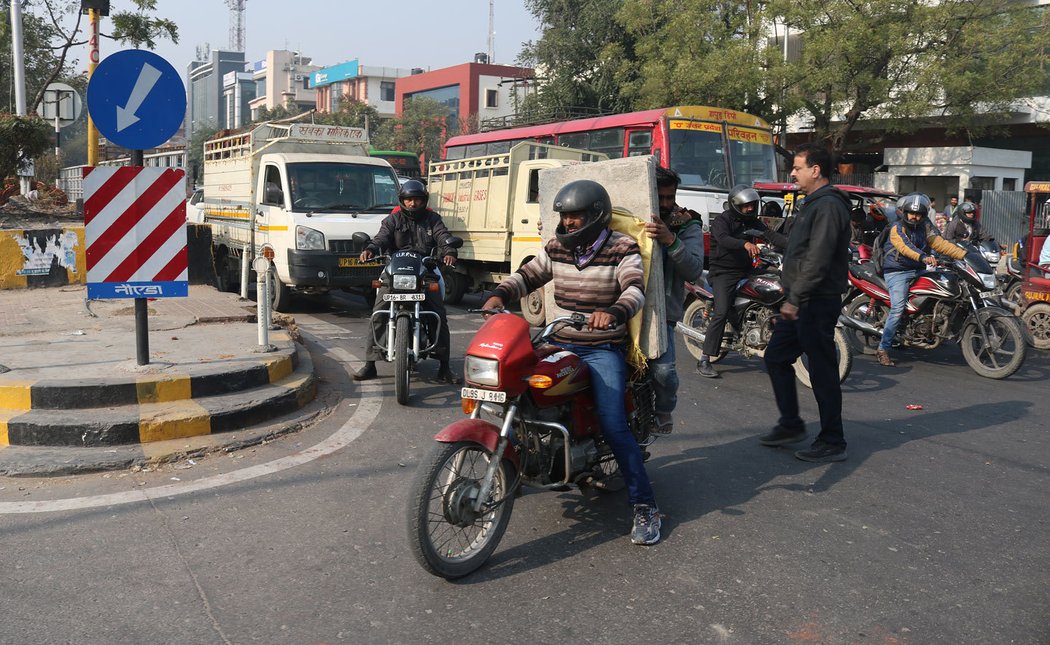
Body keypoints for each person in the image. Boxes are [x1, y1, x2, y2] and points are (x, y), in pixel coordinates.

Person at [481, 179, 661, 545]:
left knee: (614, 425)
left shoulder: (620, 248)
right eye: (564, 217)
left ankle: (645, 507)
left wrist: (612, 312)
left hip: (601, 346)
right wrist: (499, 294)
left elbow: (633, 289)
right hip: (559, 338)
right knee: (516, 394)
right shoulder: (557, 248)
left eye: (575, 217)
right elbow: (529, 275)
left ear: (596, 215)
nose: (567, 224)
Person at [758, 144, 852, 463]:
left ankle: (832, 440)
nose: (793, 173)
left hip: (815, 299)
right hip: (800, 298)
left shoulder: (828, 206)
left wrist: (795, 299)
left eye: (797, 168)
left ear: (816, 170)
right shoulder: (812, 204)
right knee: (775, 357)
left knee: (822, 370)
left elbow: (819, 258)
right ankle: (791, 424)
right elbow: (799, 249)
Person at [353, 179, 462, 385]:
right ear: (402, 200)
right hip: (395, 271)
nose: (413, 203)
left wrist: (449, 251)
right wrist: (370, 249)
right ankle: (370, 364)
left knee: (438, 314)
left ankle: (444, 367)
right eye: (409, 199)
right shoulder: (392, 220)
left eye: (417, 199)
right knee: (378, 312)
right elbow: (381, 238)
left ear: (424, 200)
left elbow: (443, 236)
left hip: (426, 270)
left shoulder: (433, 219)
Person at [697, 184, 787, 378]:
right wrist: (744, 243)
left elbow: (770, 235)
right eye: (746, 206)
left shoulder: (752, 221)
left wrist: (796, 246)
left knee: (775, 281)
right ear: (735, 205)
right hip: (723, 272)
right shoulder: (722, 221)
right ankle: (704, 358)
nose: (750, 209)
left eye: (753, 205)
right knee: (720, 312)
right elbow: (723, 239)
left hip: (745, 269)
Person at [644, 167, 704, 432]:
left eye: (671, 197)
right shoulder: (628, 216)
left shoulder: (687, 225)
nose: (667, 204)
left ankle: (664, 410)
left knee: (664, 372)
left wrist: (670, 241)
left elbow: (693, 270)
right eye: (661, 198)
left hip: (663, 312)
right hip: (624, 310)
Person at [875, 193, 966, 367]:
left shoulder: (925, 226)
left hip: (918, 269)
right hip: (897, 271)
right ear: (905, 212)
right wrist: (923, 257)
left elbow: (940, 243)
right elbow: (905, 247)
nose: (914, 217)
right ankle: (883, 349)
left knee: (942, 290)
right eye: (911, 213)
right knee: (898, 308)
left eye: (918, 214)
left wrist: (965, 255)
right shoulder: (897, 228)